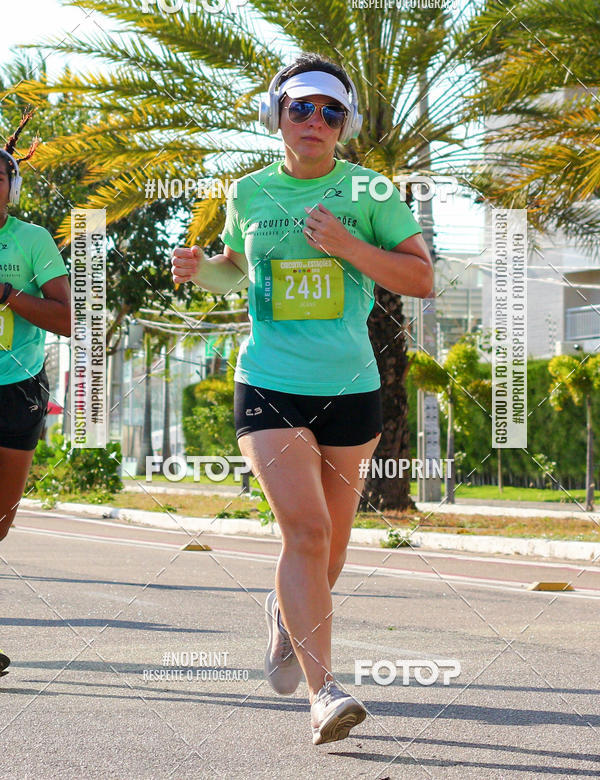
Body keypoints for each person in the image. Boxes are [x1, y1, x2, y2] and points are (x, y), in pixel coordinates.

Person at [171, 53, 434, 745]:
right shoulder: (249, 192)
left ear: (344, 123)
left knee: (334, 550)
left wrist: (349, 246)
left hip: (350, 388)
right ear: (276, 114)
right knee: (307, 533)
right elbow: (236, 271)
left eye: (330, 111)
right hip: (268, 381)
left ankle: (281, 615)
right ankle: (325, 694)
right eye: (300, 108)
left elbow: (421, 278)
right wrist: (206, 272)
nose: (314, 121)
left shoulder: (371, 193)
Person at [0, 111, 72, 676]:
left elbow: (73, 318)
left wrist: (7, 295)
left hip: (16, 390)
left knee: (0, 520)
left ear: (11, 187)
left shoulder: (31, 241)